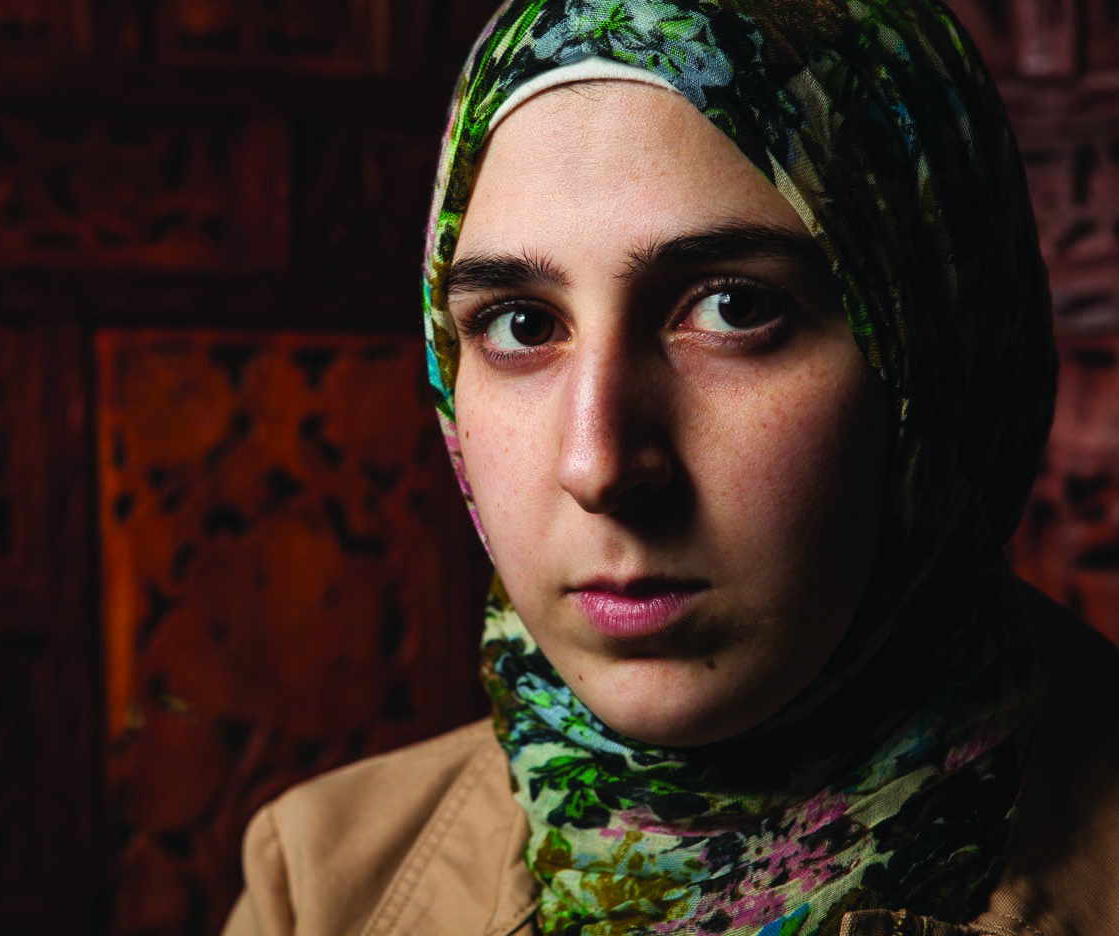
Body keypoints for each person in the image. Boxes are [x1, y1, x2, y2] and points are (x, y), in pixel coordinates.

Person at [223, 1, 1119, 933]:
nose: (598, 465)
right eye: (521, 324)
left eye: (734, 308)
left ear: (943, 350)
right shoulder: (321, 887)